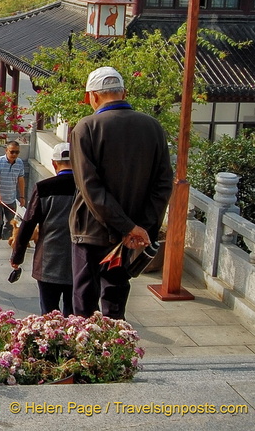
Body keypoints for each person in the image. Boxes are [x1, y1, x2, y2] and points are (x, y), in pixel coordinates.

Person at [71, 67, 173, 320]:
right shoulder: (153, 127)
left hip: (91, 231)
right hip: (130, 235)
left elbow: (90, 187)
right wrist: (140, 228)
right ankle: (117, 351)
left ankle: (87, 355)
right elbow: (163, 185)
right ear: (124, 93)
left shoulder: (86, 127)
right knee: (116, 297)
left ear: (92, 97)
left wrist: (127, 226)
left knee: (85, 301)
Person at [10, 142, 76, 315]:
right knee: (74, 314)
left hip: (48, 260)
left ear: (54, 164)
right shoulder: (87, 188)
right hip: (79, 260)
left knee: (49, 314)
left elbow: (28, 223)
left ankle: (51, 341)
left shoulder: (43, 188)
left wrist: (17, 256)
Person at [0, 141, 25, 240]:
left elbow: (21, 180)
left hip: (11, 197)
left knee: (10, 222)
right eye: (12, 152)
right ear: (6, 150)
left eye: (17, 152)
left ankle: (6, 240)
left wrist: (22, 196)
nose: (14, 155)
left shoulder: (20, 163)